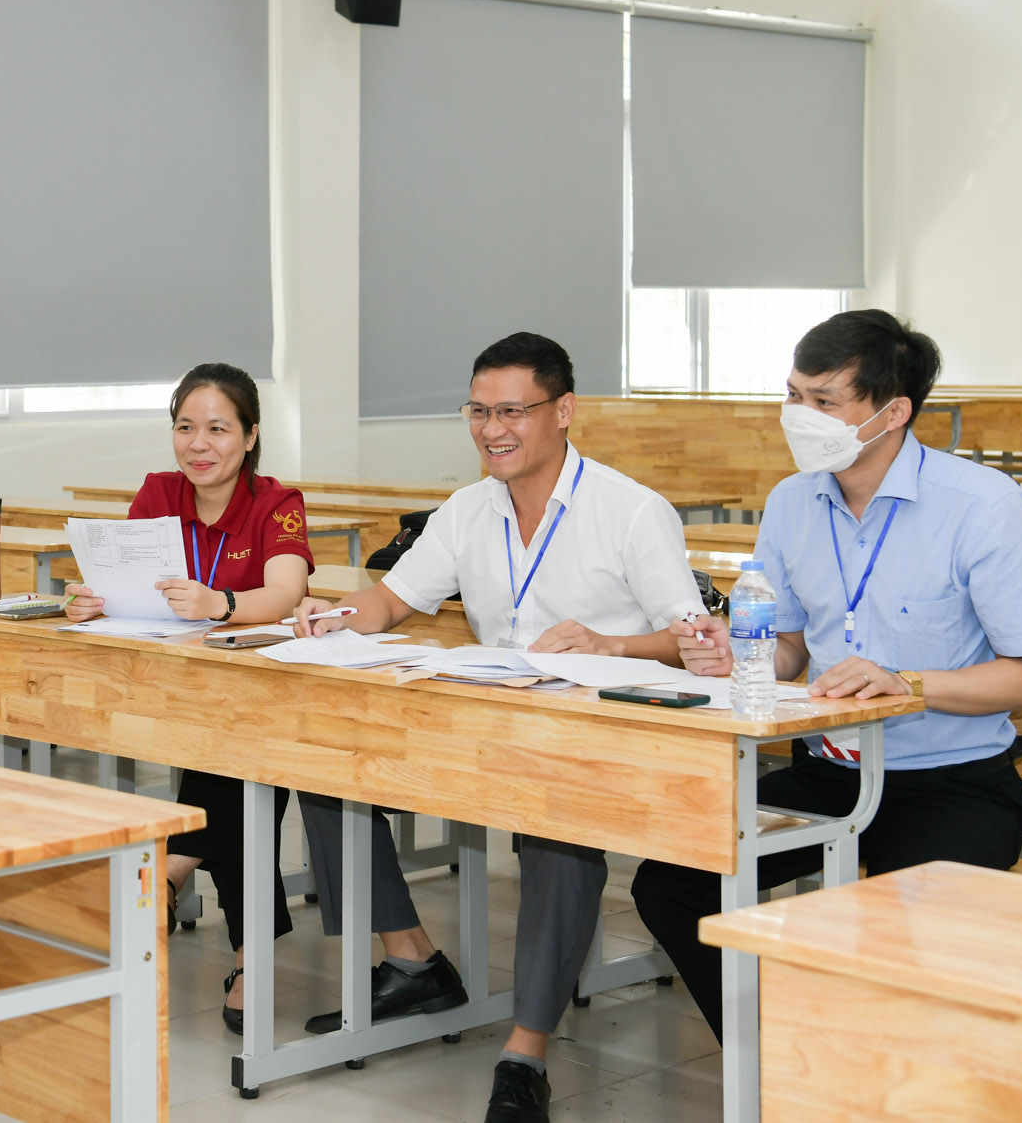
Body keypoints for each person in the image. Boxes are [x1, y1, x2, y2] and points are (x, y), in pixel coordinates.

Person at [288, 332, 705, 1123]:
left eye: (511, 410)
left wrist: (609, 643)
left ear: (564, 410)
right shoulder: (468, 508)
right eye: (478, 411)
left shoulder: (630, 510)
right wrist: (338, 614)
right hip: (491, 716)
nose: (492, 429)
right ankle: (412, 958)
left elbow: (691, 639)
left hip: (594, 733)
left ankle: (525, 1052)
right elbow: (393, 598)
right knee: (323, 763)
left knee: (557, 829)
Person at [632, 309, 1022, 1040]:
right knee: (671, 883)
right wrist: (735, 656)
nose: (799, 416)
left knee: (900, 934)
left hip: (951, 783)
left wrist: (909, 683)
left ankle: (862, 1067)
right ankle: (779, 1059)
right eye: (793, 395)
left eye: (824, 401)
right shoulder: (792, 502)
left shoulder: (985, 507)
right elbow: (789, 650)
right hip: (830, 773)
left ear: (893, 412)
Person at [64, 362, 312, 1034]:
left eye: (218, 429)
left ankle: (173, 871)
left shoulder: (277, 502)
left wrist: (219, 603)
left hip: (256, 689)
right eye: (185, 427)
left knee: (241, 762)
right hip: (175, 688)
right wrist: (90, 601)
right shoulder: (159, 492)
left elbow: (285, 592)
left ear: (251, 436)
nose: (198, 444)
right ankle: (241, 948)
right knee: (239, 771)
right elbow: (122, 586)